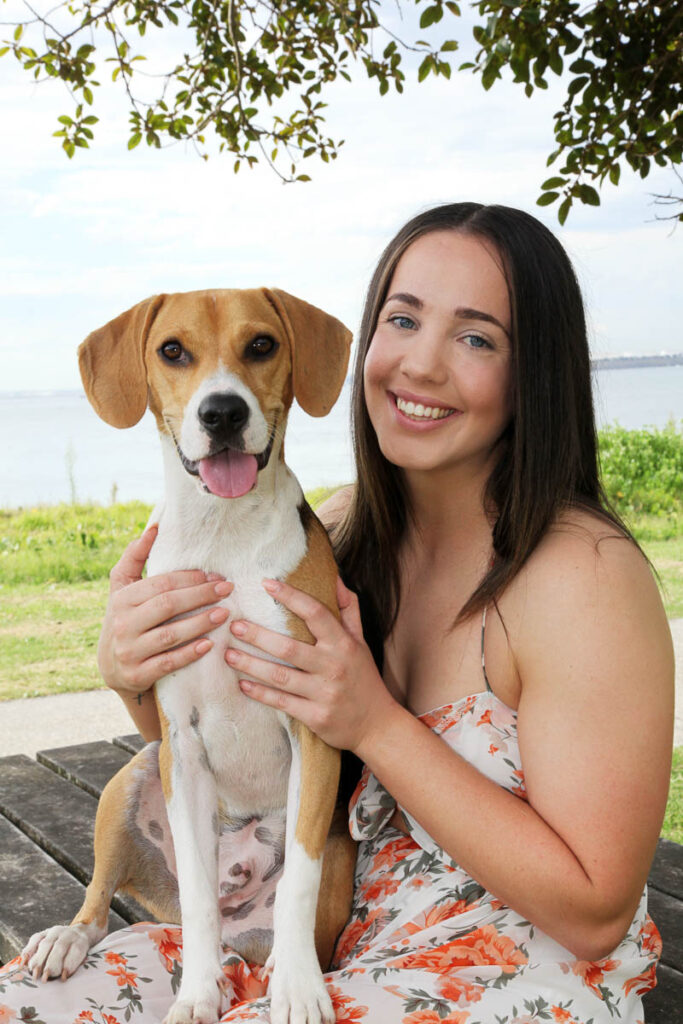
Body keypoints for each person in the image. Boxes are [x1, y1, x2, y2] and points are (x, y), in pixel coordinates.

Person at [0, 203, 673, 1024]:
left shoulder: (582, 574)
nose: (419, 365)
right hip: (333, 940)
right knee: (34, 1002)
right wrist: (128, 671)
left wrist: (374, 722)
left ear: (535, 369)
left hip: (500, 970)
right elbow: (215, 731)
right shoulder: (340, 528)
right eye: (402, 319)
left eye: (475, 337)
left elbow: (596, 911)